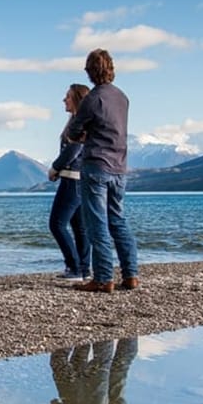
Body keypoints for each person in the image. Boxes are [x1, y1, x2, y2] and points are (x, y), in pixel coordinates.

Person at [67, 48, 139, 293]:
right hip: (120, 167)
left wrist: (84, 135)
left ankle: (103, 278)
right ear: (111, 69)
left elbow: (73, 132)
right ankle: (131, 275)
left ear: (89, 71)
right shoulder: (123, 97)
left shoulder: (92, 99)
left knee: (97, 223)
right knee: (118, 221)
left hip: (96, 165)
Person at [48, 83, 93, 281]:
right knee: (80, 228)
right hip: (80, 181)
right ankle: (84, 269)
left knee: (56, 224)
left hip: (72, 181)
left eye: (67, 96)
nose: (64, 100)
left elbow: (73, 149)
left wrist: (55, 167)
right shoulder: (80, 121)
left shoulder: (78, 123)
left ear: (76, 99)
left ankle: (74, 267)